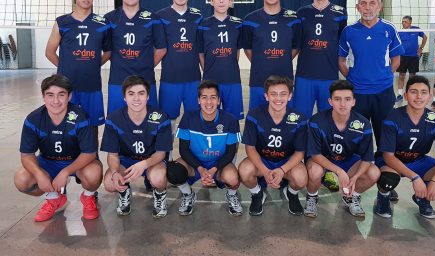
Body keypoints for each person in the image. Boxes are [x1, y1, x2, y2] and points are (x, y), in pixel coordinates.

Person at [13, 74, 102, 222]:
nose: (55, 101)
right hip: (49, 162)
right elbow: (26, 154)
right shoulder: (33, 119)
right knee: (22, 179)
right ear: (43, 97)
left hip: (78, 162)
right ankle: (54, 198)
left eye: (61, 95)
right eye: (50, 95)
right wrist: (39, 174)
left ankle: (88, 197)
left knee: (93, 174)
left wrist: (65, 172)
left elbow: (89, 153)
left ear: (69, 96)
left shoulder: (80, 117)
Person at [374, 75, 435, 219]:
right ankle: (383, 196)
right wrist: (415, 178)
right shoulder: (393, 117)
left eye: (423, 92)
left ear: (429, 96)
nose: (418, 96)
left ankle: (422, 198)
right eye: (414, 92)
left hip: (419, 160)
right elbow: (388, 156)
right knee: (388, 180)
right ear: (405, 95)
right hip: (392, 162)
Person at [294, 0, 348, 192]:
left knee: (328, 124)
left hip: (328, 78)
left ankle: (328, 168)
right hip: (305, 76)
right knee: (301, 123)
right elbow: (295, 45)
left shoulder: (340, 13)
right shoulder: (301, 13)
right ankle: (298, 165)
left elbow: (344, 47)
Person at [338, 0, 404, 148]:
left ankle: (384, 167)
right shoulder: (349, 31)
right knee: (357, 136)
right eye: (363, 3)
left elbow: (396, 59)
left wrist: (385, 76)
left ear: (379, 6)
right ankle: (358, 168)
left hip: (384, 92)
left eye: (372, 3)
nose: (368, 7)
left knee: (385, 135)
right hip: (358, 93)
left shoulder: (389, 29)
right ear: (357, 7)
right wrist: (353, 78)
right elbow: (340, 61)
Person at [305, 80, 380, 218]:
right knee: (314, 172)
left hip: (349, 160)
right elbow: (315, 154)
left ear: (354, 102)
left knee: (373, 173)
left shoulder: (363, 124)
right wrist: (339, 171)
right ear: (330, 101)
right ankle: (311, 197)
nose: (343, 104)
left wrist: (355, 177)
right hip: (323, 159)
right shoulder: (317, 121)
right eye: (337, 99)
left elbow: (367, 158)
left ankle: (351, 197)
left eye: (347, 99)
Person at [167, 80, 242, 216]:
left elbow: (231, 152)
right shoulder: (189, 117)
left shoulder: (230, 120)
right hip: (195, 163)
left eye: (213, 97)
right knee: (173, 172)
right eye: (204, 97)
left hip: (219, 164)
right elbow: (183, 149)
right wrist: (200, 169)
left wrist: (214, 169)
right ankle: (188, 194)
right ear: (198, 100)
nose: (209, 102)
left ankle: (231, 195)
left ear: (219, 100)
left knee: (233, 178)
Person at [45, 0, 109, 134]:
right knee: (68, 127)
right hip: (67, 86)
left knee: (91, 128)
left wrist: (93, 64)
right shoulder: (62, 22)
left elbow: (108, 52)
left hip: (92, 85)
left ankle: (92, 158)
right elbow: (49, 52)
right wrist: (65, 68)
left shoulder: (102, 23)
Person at [101, 76, 172, 218]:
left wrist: (144, 165)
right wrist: (115, 172)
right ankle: (124, 191)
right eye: (131, 94)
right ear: (124, 97)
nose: (136, 99)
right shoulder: (113, 119)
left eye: (141, 93)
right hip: (126, 162)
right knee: (110, 183)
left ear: (147, 96)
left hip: (152, 161)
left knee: (158, 179)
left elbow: (161, 153)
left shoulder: (161, 118)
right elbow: (113, 155)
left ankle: (159, 195)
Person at [239, 75, 307, 216]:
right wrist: (264, 170)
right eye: (273, 94)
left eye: (283, 94)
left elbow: (300, 152)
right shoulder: (254, 115)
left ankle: (291, 193)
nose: (278, 98)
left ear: (290, 96)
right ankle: (257, 194)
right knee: (244, 171)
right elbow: (250, 148)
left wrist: (282, 170)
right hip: (262, 161)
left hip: (286, 162)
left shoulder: (299, 118)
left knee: (301, 178)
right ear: (266, 96)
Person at [102, 0, 166, 114]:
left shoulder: (152, 18)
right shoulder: (109, 18)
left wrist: (146, 64)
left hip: (145, 79)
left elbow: (161, 49)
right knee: (116, 120)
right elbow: (106, 50)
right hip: (118, 80)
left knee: (150, 121)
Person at [242, 0, 301, 110]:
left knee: (286, 122)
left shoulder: (294, 19)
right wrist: (261, 61)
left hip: (285, 80)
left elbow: (296, 47)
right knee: (257, 120)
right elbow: (247, 48)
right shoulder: (250, 19)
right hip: (259, 80)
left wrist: (281, 59)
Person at [156, 0, 202, 133]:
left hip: (193, 80)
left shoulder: (198, 16)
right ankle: (165, 157)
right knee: (168, 121)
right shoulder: (160, 16)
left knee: (195, 120)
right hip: (170, 80)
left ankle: (192, 157)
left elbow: (202, 49)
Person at [197, 0, 244, 120]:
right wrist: (209, 71)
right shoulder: (203, 25)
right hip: (210, 81)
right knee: (209, 118)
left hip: (232, 80)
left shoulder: (238, 24)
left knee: (233, 120)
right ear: (212, 2)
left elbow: (237, 51)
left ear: (230, 2)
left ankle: (232, 142)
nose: (221, 1)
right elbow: (200, 53)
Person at [396, 16, 427, 102]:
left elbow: (425, 37)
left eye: (405, 21)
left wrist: (421, 48)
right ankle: (399, 94)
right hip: (403, 56)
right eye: (402, 21)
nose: (403, 23)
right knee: (401, 75)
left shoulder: (416, 29)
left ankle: (410, 93)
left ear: (410, 22)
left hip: (413, 56)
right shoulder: (400, 31)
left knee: (412, 76)